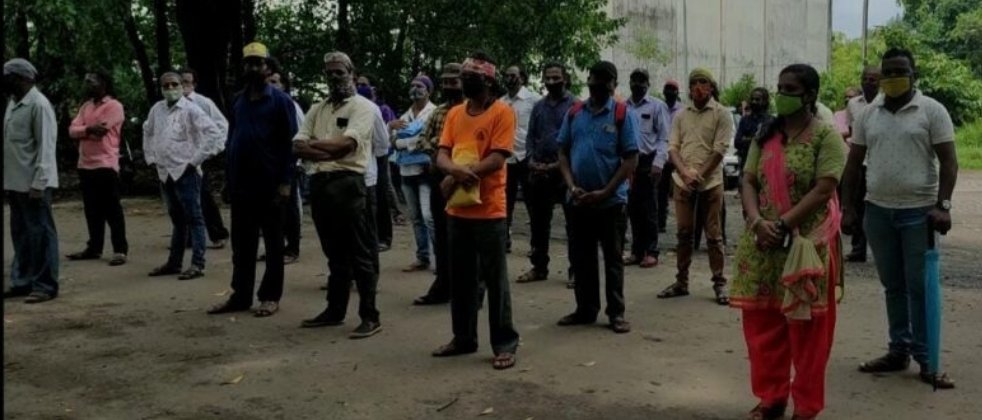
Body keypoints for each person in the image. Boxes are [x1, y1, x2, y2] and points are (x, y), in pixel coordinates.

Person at [731, 64, 846, 420]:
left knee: (808, 330)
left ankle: (806, 407)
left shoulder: (826, 137)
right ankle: (772, 398)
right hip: (763, 242)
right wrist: (756, 221)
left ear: (810, 95)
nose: (781, 94)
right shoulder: (765, 134)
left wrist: (783, 224)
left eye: (790, 89)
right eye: (779, 87)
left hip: (805, 245)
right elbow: (748, 180)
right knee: (762, 326)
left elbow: (824, 188)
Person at [844, 48, 957, 390]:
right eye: (888, 72)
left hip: (919, 213)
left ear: (913, 74)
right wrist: (848, 208)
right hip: (878, 212)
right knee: (893, 286)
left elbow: (949, 162)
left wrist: (944, 205)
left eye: (900, 71)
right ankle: (898, 350)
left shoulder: (931, 110)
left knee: (920, 287)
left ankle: (927, 359)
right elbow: (854, 163)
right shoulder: (869, 113)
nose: (893, 78)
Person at [431, 52, 519, 370]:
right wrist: (453, 171)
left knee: (496, 281)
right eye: (464, 76)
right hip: (458, 210)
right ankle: (463, 337)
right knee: (462, 279)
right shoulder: (455, 114)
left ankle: (504, 343)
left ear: (489, 81)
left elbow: (497, 158)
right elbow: (442, 153)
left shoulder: (502, 112)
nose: (465, 82)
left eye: (473, 77)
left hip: (490, 211)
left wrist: (460, 174)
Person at [206, 42, 298, 317]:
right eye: (249, 63)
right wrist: (228, 179)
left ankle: (270, 296)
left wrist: (285, 182)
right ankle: (241, 295)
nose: (253, 68)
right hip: (241, 185)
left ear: (268, 67)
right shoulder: (238, 100)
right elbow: (232, 138)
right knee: (242, 245)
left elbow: (290, 144)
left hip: (270, 185)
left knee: (273, 244)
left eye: (258, 63)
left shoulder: (281, 101)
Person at [294, 51, 381, 339]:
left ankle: (370, 316)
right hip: (320, 184)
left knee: (361, 254)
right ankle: (335, 310)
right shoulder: (317, 108)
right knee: (334, 254)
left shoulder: (364, 107)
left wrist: (317, 146)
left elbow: (346, 146)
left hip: (348, 184)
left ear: (351, 73)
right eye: (329, 73)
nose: (334, 77)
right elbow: (297, 145)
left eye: (339, 72)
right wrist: (328, 148)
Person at [556, 60, 639, 334]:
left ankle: (616, 313)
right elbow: (562, 152)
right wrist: (571, 186)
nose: (598, 85)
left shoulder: (622, 114)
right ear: (588, 81)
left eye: (605, 81)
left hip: (611, 202)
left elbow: (631, 159)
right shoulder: (575, 113)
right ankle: (585, 309)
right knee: (582, 258)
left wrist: (606, 191)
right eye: (594, 79)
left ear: (614, 85)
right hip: (578, 200)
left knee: (613, 259)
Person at [659, 68, 732, 305]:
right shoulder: (681, 115)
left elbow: (719, 151)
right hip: (683, 182)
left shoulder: (722, 114)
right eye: (694, 83)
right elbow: (673, 148)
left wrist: (698, 176)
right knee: (683, 234)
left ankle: (719, 283)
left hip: (711, 183)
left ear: (711, 87)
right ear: (689, 88)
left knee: (714, 236)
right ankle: (681, 282)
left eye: (703, 82)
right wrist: (684, 173)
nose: (698, 87)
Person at [143, 71, 224, 280]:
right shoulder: (157, 109)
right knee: (177, 219)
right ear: (161, 88)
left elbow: (213, 134)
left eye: (174, 84)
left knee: (195, 218)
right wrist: (151, 157)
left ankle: (197, 263)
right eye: (166, 85)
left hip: (186, 171)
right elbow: (148, 131)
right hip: (165, 172)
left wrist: (195, 160)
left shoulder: (191, 109)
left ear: (181, 86)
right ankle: (174, 263)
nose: (170, 88)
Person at [515, 62, 578, 287]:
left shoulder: (575, 106)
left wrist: (557, 166)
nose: (551, 82)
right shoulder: (539, 106)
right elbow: (531, 136)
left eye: (556, 78)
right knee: (539, 224)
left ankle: (576, 270)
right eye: (548, 78)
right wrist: (531, 160)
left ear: (565, 79)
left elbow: (576, 141)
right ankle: (539, 266)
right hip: (539, 172)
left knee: (574, 225)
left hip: (565, 174)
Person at [3, 58, 60, 303]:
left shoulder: (39, 104)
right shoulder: (13, 103)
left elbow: (46, 147)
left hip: (33, 184)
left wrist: (39, 183)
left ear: (21, 78)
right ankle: (22, 281)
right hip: (15, 182)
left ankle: (45, 285)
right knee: (22, 235)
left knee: (41, 234)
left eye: (7, 77)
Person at [412, 62, 465, 305]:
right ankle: (443, 286)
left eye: (453, 82)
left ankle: (470, 288)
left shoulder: (472, 110)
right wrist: (440, 151)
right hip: (438, 176)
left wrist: (445, 149)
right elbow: (423, 140)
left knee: (465, 236)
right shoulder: (439, 111)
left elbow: (466, 145)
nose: (448, 86)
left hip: (464, 178)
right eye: (445, 82)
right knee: (442, 236)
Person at [66, 70, 129, 267]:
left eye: (91, 81)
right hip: (85, 164)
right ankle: (94, 247)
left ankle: (120, 250)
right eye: (86, 81)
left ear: (103, 83)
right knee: (92, 210)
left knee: (112, 209)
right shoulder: (86, 106)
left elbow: (101, 132)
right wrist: (87, 129)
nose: (87, 84)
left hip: (105, 163)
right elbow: (72, 130)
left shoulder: (114, 106)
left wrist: (84, 130)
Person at [623, 68, 670, 269]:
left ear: (648, 84)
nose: (637, 84)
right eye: (634, 80)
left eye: (642, 81)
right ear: (629, 83)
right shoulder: (624, 107)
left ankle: (651, 252)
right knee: (632, 208)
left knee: (649, 208)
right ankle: (637, 251)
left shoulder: (657, 106)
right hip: (629, 162)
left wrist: (658, 163)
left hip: (648, 162)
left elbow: (664, 137)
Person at [180, 68, 231, 250]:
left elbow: (222, 126)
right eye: (181, 81)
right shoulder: (171, 105)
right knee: (183, 197)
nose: (183, 85)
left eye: (187, 82)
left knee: (203, 195)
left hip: (201, 155)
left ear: (194, 84)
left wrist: (213, 149)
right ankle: (189, 237)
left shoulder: (203, 102)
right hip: (180, 156)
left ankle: (218, 233)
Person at [390, 75, 437, 272]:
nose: (415, 89)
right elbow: (392, 140)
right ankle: (422, 256)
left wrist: (403, 142)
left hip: (426, 170)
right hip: (406, 171)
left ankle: (440, 258)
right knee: (416, 217)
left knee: (428, 216)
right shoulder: (405, 115)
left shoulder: (433, 112)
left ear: (428, 91)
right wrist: (400, 137)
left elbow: (426, 140)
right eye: (412, 85)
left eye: (419, 86)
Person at [265, 57, 305, 264]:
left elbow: (300, 135)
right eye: (268, 81)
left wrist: (295, 162)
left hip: (289, 165)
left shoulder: (290, 105)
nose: (271, 85)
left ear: (283, 85)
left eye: (275, 82)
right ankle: (276, 247)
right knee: (273, 210)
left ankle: (292, 248)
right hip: (268, 166)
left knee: (289, 209)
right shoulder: (264, 105)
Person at [843, 67, 882, 263]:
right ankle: (858, 248)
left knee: (878, 206)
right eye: (865, 79)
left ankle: (882, 248)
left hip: (880, 161)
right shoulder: (853, 104)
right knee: (858, 205)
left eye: (873, 79)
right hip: (860, 161)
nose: (868, 82)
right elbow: (852, 133)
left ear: (880, 82)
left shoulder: (885, 102)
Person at [502, 64, 542, 254]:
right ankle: (504, 240)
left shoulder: (533, 100)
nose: (509, 79)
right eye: (507, 75)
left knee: (532, 203)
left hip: (527, 157)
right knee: (505, 202)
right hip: (507, 158)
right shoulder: (501, 102)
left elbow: (539, 128)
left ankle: (536, 243)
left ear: (522, 78)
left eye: (513, 75)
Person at [355, 77, 398, 251]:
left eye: (364, 85)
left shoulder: (380, 109)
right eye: (358, 84)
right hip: (362, 162)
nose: (360, 87)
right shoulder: (354, 107)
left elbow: (384, 139)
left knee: (382, 193)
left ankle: (384, 236)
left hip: (379, 157)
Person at [657, 80, 684, 232]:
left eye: (673, 89)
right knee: (661, 191)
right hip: (662, 157)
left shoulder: (682, 111)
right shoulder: (658, 107)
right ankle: (661, 222)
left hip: (678, 156)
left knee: (681, 190)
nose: (670, 92)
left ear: (677, 92)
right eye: (667, 89)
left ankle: (683, 222)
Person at [734, 87, 773, 173]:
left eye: (757, 99)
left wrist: (747, 139)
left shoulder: (771, 121)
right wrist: (755, 139)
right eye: (752, 99)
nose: (754, 102)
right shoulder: (745, 120)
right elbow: (737, 142)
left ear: (765, 101)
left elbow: (770, 145)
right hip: (746, 166)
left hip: (765, 167)